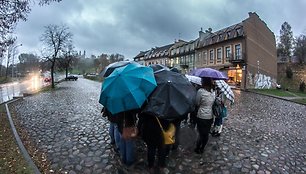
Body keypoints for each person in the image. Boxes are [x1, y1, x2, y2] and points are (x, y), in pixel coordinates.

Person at [194, 77, 215, 154]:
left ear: (203, 82)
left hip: (201, 115)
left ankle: (197, 148)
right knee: (206, 133)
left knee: (201, 133)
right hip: (210, 116)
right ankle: (202, 148)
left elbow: (197, 103)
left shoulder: (200, 91)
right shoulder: (213, 92)